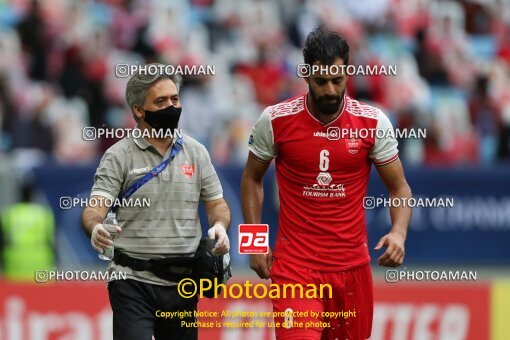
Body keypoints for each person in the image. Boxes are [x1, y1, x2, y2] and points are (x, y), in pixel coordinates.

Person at [241, 27, 412, 340]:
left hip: (352, 269)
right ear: (306, 75)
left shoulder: (373, 122)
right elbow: (252, 178)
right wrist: (253, 243)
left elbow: (399, 187)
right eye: (321, 82)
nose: (331, 90)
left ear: (348, 73)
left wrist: (398, 233)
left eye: (338, 80)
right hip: (295, 267)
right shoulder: (275, 119)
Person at [81, 64, 231, 340]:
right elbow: (94, 209)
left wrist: (220, 226)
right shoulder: (118, 156)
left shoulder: (196, 152)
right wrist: (96, 228)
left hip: (183, 284)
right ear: (139, 110)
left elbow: (217, 203)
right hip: (131, 280)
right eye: (160, 102)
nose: (171, 107)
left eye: (175, 99)